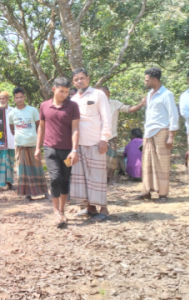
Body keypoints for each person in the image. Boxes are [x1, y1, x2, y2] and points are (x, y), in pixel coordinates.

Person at [36, 77, 80, 227]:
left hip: (68, 152)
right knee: (55, 178)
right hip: (50, 149)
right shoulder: (44, 106)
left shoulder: (73, 106)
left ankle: (62, 210)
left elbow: (75, 129)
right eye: (61, 91)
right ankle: (55, 211)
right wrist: (37, 148)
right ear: (54, 89)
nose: (64, 94)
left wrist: (74, 150)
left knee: (65, 179)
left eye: (67, 92)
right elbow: (41, 127)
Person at [70, 68, 112, 221]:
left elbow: (106, 117)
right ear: (73, 82)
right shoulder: (73, 99)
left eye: (81, 78)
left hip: (95, 142)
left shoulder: (98, 94)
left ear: (88, 78)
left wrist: (104, 139)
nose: (79, 81)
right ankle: (90, 208)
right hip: (79, 143)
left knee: (97, 177)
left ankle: (104, 209)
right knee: (82, 178)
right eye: (76, 79)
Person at [134, 68, 179, 202]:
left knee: (162, 164)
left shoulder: (167, 94)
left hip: (162, 132)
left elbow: (173, 115)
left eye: (147, 80)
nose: (145, 82)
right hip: (149, 133)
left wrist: (171, 136)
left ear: (155, 80)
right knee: (147, 163)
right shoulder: (149, 94)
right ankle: (147, 191)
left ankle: (163, 194)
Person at [9, 87, 50, 202]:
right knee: (23, 170)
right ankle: (27, 195)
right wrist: (20, 138)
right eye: (17, 98)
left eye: (21, 97)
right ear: (14, 99)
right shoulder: (12, 113)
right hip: (20, 145)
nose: (19, 99)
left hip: (33, 144)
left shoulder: (32, 110)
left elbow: (40, 126)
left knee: (38, 168)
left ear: (24, 97)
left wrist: (38, 142)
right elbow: (12, 129)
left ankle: (45, 192)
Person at [98, 86, 146, 185]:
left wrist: (141, 104)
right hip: (96, 136)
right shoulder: (94, 103)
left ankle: (110, 179)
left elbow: (129, 109)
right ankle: (99, 180)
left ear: (108, 93)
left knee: (112, 158)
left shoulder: (115, 103)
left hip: (111, 136)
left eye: (104, 94)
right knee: (98, 159)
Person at [0, 91, 16, 193]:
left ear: (8, 99)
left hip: (11, 140)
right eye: (0, 98)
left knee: (10, 163)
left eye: (4, 98)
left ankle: (9, 183)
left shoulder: (13, 111)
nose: (2, 100)